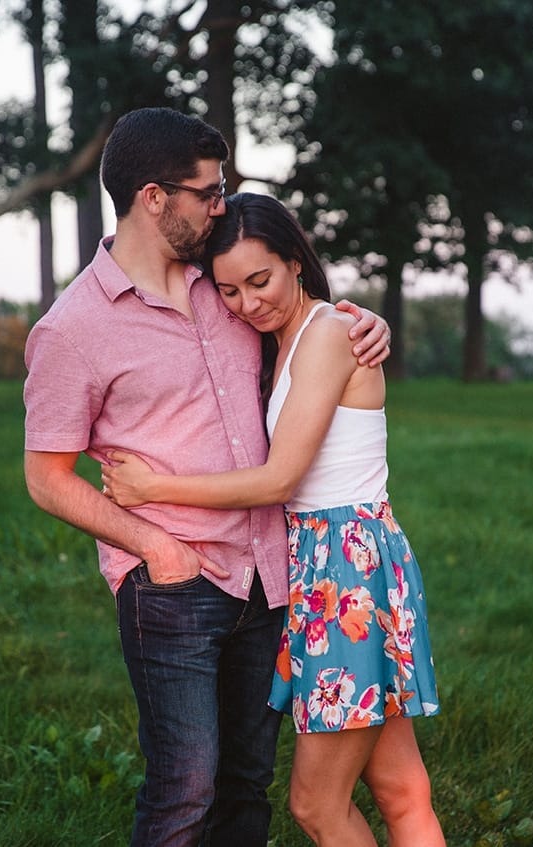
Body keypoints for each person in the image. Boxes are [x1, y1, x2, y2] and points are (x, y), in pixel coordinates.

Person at [21, 109, 392, 847]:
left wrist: (362, 320)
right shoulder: (73, 329)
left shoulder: (223, 286)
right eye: (208, 191)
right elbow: (45, 477)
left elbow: (301, 324)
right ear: (154, 197)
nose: (221, 204)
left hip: (271, 573)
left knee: (244, 782)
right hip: (173, 584)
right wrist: (153, 546)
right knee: (185, 784)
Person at [101, 192, 445, 847]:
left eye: (260, 281)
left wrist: (153, 484)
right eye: (228, 290)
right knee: (400, 789)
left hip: (346, 566)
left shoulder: (326, 334)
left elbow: (279, 478)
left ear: (294, 261)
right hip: (331, 562)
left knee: (316, 805)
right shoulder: (280, 339)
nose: (247, 303)